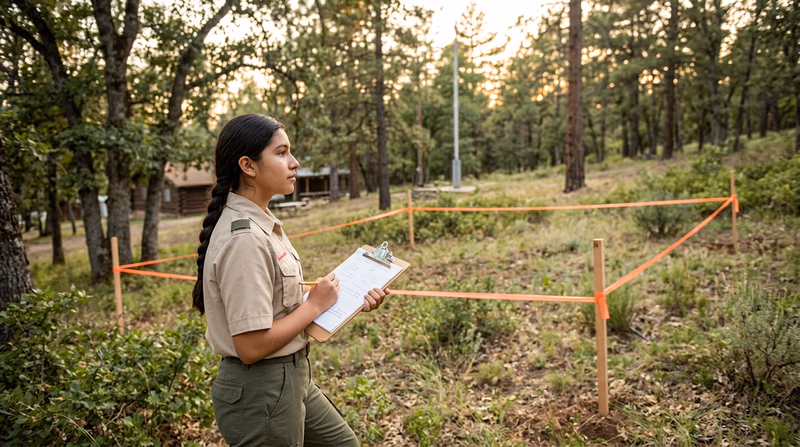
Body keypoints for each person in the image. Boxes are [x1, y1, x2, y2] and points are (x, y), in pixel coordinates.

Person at [192, 114, 389, 446]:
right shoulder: (245, 239)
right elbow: (251, 347)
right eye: (281, 153)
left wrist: (349, 298)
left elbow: (280, 310)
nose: (294, 163)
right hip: (261, 389)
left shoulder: (262, 221)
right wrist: (314, 306)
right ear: (248, 166)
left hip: (292, 375)